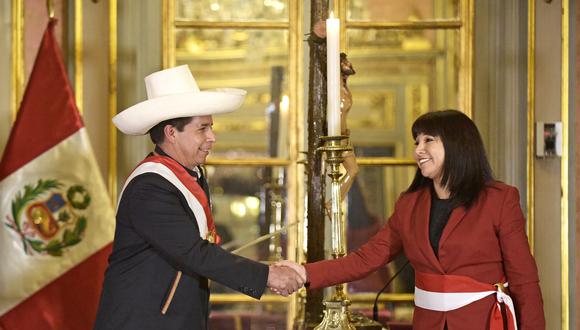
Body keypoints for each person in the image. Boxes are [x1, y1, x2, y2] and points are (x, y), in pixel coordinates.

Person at [278, 110, 545, 329]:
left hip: (484, 323)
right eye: (417, 141)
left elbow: (525, 281)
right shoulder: (409, 204)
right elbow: (367, 258)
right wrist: (304, 272)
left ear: (458, 145)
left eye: (429, 140)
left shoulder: (499, 199)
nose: (419, 150)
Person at [94, 65, 304, 330]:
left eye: (211, 128)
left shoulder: (188, 174)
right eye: (202, 129)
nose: (212, 137)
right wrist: (267, 276)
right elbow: (195, 253)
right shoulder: (149, 187)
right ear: (171, 133)